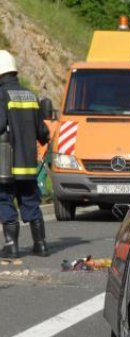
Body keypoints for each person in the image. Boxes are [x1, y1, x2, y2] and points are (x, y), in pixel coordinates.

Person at [0, 50, 50, 258]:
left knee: (4, 199)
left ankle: (12, 246)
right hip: (28, 163)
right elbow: (42, 132)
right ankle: (40, 245)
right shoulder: (30, 95)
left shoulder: (1, 95)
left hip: (6, 164)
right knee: (30, 200)